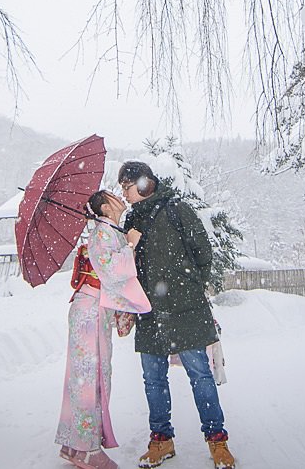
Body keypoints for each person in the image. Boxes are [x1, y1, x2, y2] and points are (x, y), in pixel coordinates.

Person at [119, 161, 237, 469]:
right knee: (153, 379)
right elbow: (125, 267)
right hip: (148, 312)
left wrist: (188, 286)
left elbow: (202, 252)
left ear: (145, 184)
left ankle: (217, 442)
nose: (124, 193)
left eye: (127, 187)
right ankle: (162, 441)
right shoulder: (131, 221)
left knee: (200, 375)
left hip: (186, 310)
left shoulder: (176, 209)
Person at [56, 190, 152, 469]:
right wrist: (130, 246)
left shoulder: (107, 230)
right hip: (91, 308)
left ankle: (74, 445)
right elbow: (111, 269)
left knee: (85, 376)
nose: (119, 198)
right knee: (93, 377)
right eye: (113, 196)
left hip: (91, 308)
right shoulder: (102, 232)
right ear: (106, 208)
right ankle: (87, 448)